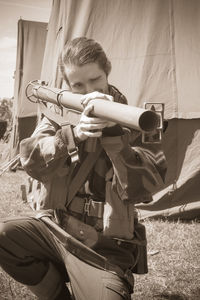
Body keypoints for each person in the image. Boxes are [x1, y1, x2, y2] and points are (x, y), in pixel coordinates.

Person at [0, 37, 167, 300]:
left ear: (107, 72)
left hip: (104, 247)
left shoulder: (137, 119)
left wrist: (113, 133)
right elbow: (30, 160)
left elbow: (147, 185)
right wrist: (73, 135)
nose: (88, 91)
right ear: (67, 85)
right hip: (56, 229)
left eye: (95, 80)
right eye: (77, 85)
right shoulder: (58, 113)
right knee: (4, 235)